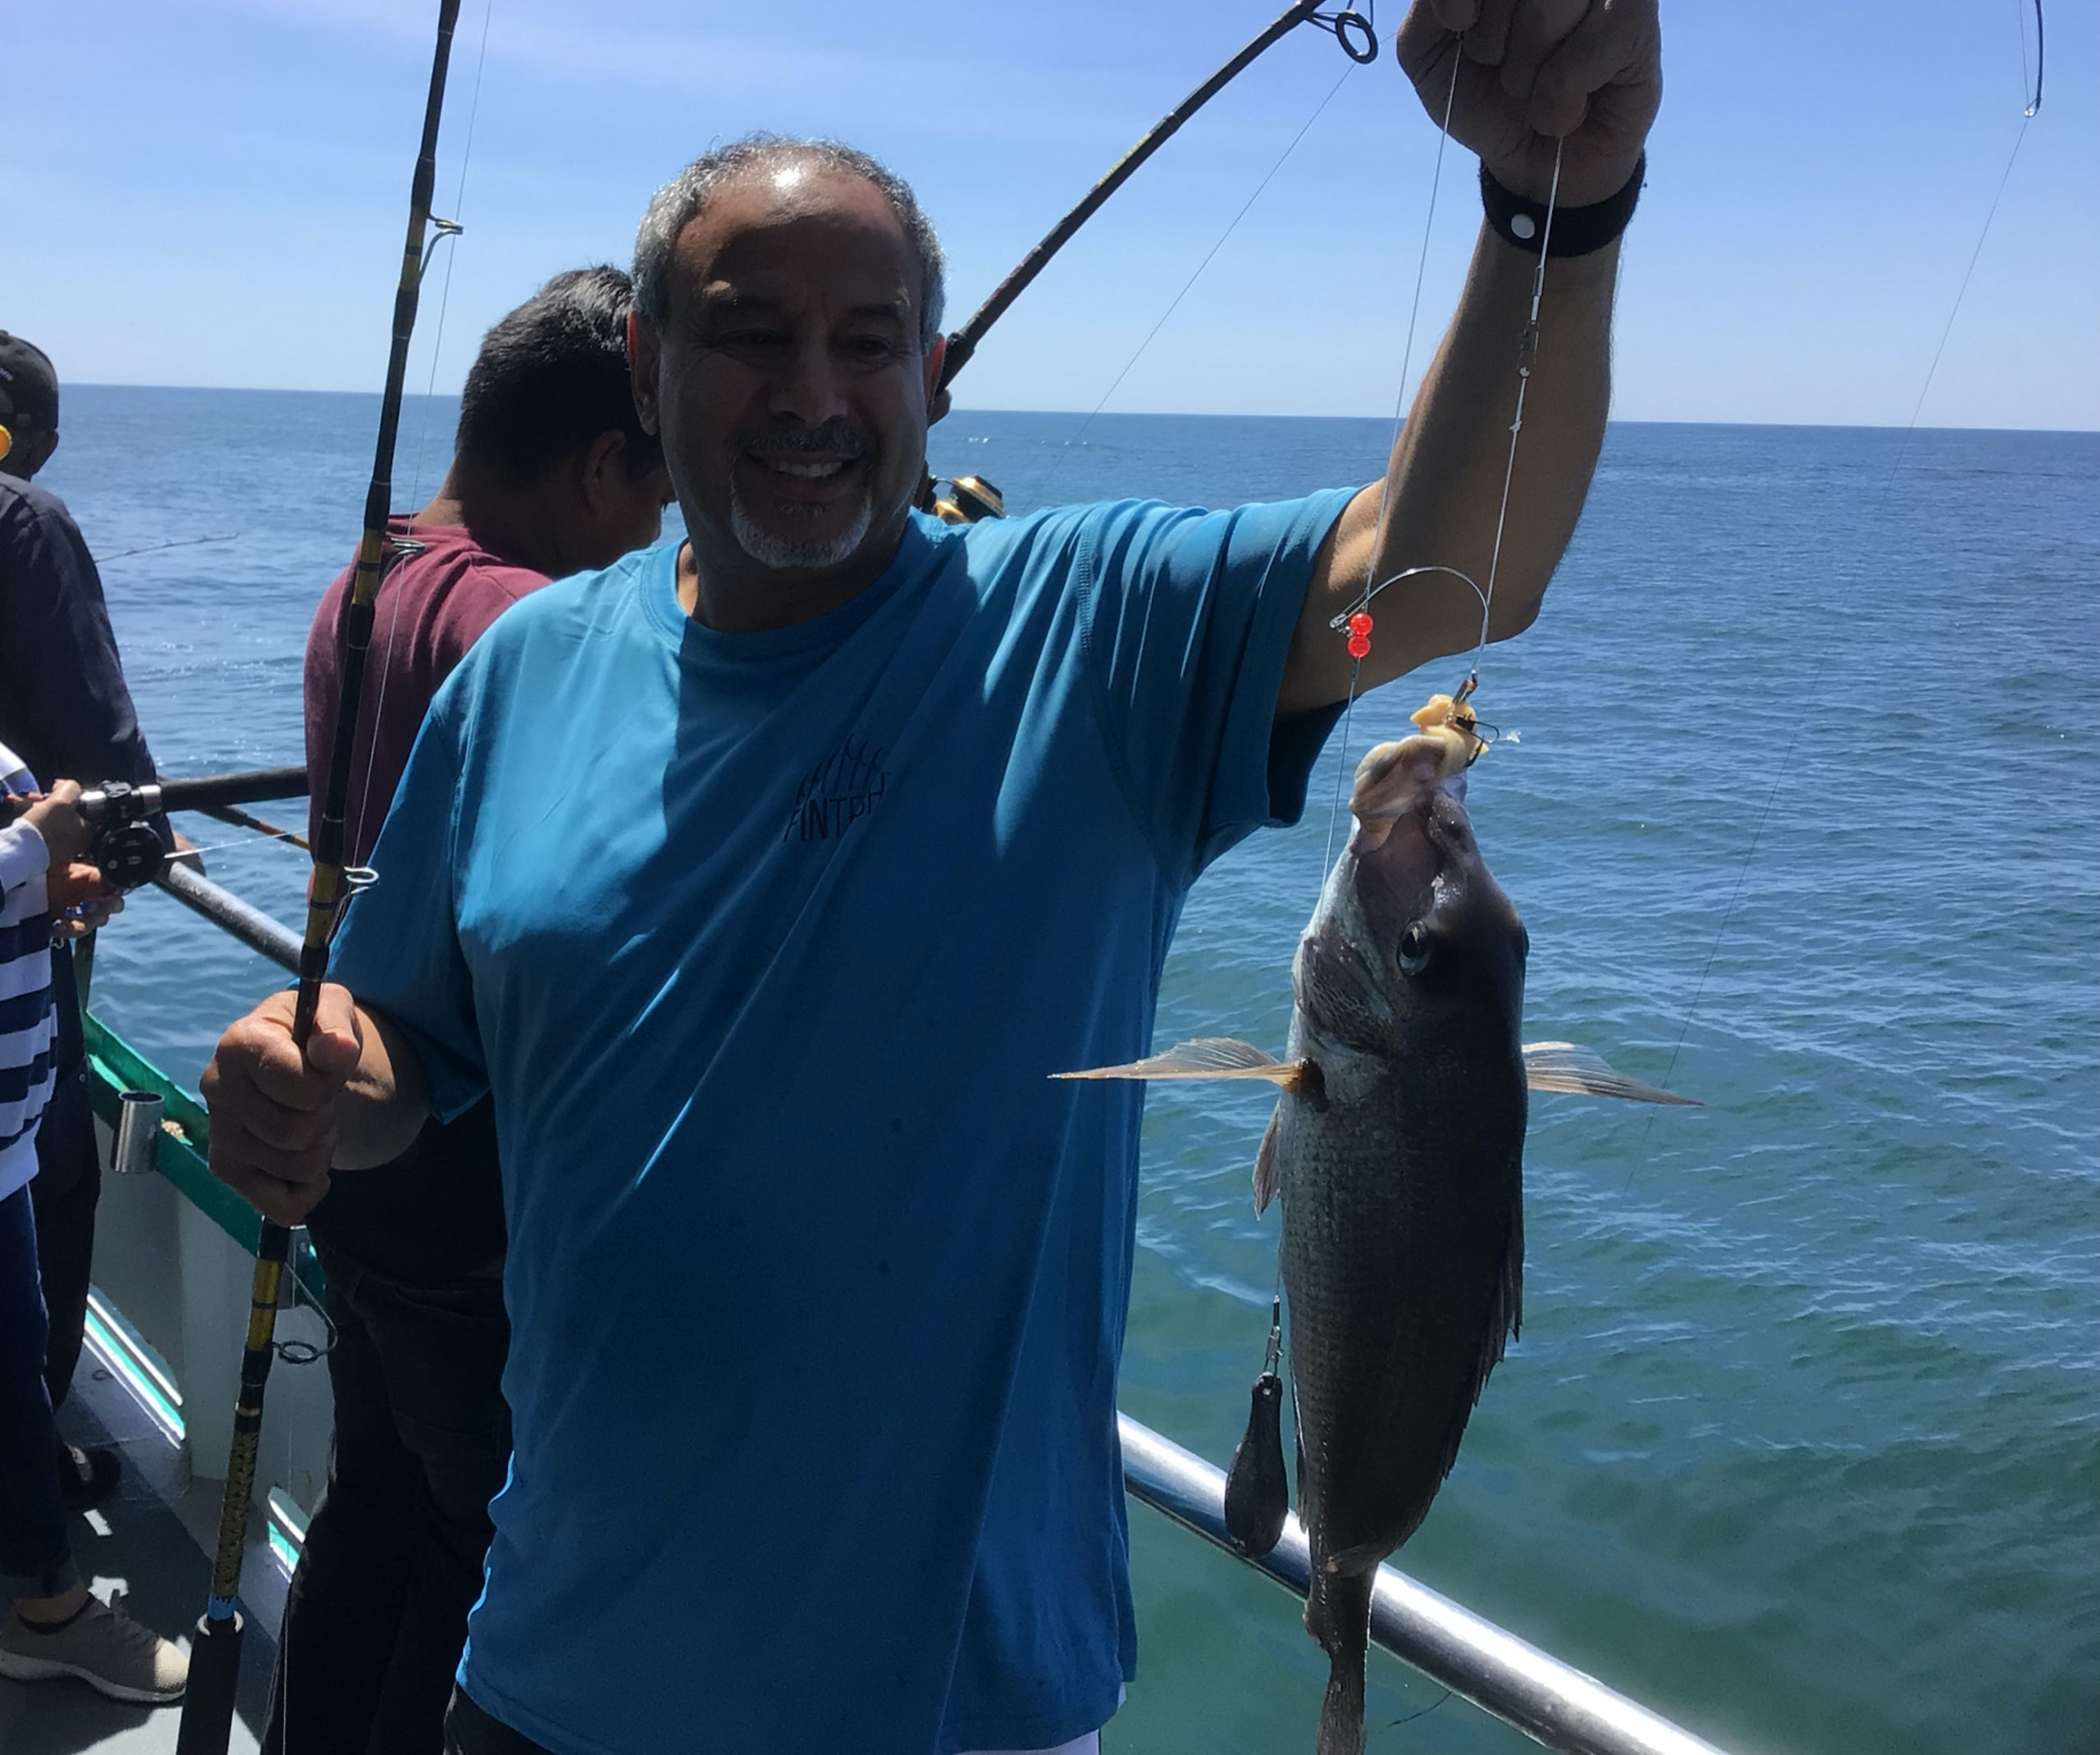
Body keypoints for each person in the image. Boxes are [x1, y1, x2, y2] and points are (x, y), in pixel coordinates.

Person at [202, 6, 1663, 1752]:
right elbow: (408, 1044)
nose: (814, 391)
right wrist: (316, 1081)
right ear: (649, 377)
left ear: (930, 378)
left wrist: (1544, 207)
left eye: (867, 339)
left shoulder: (1101, 639)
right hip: (551, 1680)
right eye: (749, 337)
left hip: (957, 1707)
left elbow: (1434, 585)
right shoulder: (522, 675)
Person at [267, 267, 673, 1755]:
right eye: (661, 493)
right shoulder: (543, 624)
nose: (661, 537)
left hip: (356, 1152)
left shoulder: (366, 575)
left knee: (372, 1509)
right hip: (473, 1168)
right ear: (598, 466)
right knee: (477, 1558)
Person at [0, 328, 172, 1510]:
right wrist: (138, 848)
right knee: (48, 1186)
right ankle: (28, 1496)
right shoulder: (28, 524)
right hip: (15, 941)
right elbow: (100, 745)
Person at [0, 751, 185, 1704]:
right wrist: (31, 842)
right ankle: (49, 1608)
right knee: (9, 1374)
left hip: (11, 1143)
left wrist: (50, 888)